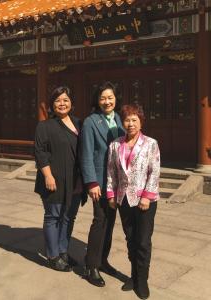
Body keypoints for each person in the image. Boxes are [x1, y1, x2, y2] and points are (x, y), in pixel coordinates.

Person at [107, 103, 160, 299]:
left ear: (141, 122)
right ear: (122, 122)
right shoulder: (115, 144)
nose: (130, 124)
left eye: (134, 120)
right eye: (127, 120)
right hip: (124, 200)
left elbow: (154, 172)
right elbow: (111, 172)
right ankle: (134, 275)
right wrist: (111, 195)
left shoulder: (151, 143)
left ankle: (142, 280)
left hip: (145, 201)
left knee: (143, 241)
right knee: (130, 240)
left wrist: (147, 196)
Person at [34, 86, 85, 271]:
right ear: (52, 105)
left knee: (69, 217)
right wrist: (47, 175)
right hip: (54, 179)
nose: (62, 104)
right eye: (57, 100)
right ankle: (53, 256)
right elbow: (40, 153)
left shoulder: (79, 123)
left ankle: (63, 251)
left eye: (65, 100)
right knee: (53, 216)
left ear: (71, 103)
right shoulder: (45, 126)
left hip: (75, 181)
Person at [81, 81, 125, 287]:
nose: (107, 101)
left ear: (116, 98)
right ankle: (91, 266)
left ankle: (103, 260)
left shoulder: (119, 119)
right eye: (102, 98)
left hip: (116, 182)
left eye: (110, 97)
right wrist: (91, 182)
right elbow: (86, 154)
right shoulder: (91, 122)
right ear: (97, 101)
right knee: (100, 221)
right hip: (99, 181)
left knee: (110, 221)